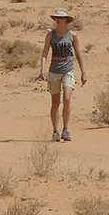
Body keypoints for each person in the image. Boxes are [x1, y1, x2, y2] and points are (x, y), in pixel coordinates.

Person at [37, 8, 86, 141]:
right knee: (55, 102)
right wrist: (42, 69)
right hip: (54, 71)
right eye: (57, 18)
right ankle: (55, 130)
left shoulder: (72, 35)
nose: (59, 20)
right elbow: (45, 52)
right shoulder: (50, 35)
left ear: (66, 20)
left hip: (68, 70)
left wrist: (83, 72)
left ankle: (66, 129)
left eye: (61, 18)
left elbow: (78, 54)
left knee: (67, 99)